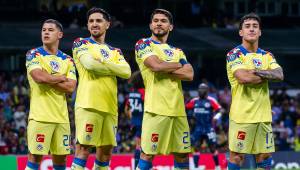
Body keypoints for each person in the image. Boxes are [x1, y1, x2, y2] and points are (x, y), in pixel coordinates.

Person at [71, 7, 131, 170]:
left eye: (98, 21)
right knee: (83, 150)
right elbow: (90, 65)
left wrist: (102, 63)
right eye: (91, 21)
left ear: (108, 25)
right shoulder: (81, 42)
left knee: (105, 152)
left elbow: (126, 72)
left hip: (110, 107)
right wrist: (113, 66)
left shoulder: (115, 50)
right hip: (88, 104)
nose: (94, 24)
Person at [135, 9, 194, 170]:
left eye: (163, 21)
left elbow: (189, 74)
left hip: (178, 111)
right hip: (156, 109)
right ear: (150, 25)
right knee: (147, 154)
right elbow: (155, 65)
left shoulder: (178, 51)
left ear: (171, 27)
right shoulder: (143, 44)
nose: (159, 23)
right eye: (155, 21)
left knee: (182, 154)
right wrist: (177, 65)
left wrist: (164, 66)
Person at [226, 13, 284, 170]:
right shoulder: (234, 54)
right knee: (237, 157)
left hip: (264, 116)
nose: (251, 29)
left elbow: (279, 75)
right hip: (242, 116)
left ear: (260, 32)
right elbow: (243, 78)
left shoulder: (267, 55)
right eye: (247, 26)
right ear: (241, 32)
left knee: (264, 156)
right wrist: (266, 74)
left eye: (255, 26)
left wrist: (255, 71)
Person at [25, 19, 77, 170]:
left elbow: (70, 87)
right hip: (40, 117)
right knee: (34, 157)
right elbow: (39, 77)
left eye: (50, 30)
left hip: (62, 119)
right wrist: (60, 77)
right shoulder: (33, 54)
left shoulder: (68, 60)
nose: (46, 32)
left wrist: (49, 77)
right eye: (43, 30)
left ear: (60, 34)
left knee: (61, 160)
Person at [185, 83, 222, 170]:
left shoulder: (211, 100)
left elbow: (220, 110)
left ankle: (217, 167)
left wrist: (216, 117)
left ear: (206, 91)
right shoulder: (194, 101)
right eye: (199, 89)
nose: (201, 90)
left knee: (212, 148)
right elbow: (186, 108)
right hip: (198, 128)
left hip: (209, 128)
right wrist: (190, 118)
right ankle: (196, 167)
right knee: (196, 146)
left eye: (203, 89)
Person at [124, 71, 145, 169]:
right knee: (144, 147)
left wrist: (131, 117)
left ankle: (136, 166)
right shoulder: (144, 92)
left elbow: (126, 109)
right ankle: (142, 166)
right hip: (144, 122)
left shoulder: (131, 93)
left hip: (134, 122)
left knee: (138, 146)